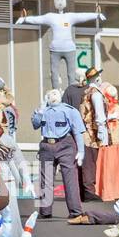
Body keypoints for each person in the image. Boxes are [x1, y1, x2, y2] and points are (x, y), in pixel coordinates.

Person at [32, 89, 85, 219]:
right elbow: (35, 125)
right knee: (45, 179)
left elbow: (77, 131)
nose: (53, 97)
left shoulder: (69, 111)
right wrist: (40, 110)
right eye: (50, 95)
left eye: (55, 94)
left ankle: (75, 211)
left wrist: (81, 150)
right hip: (46, 145)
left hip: (65, 144)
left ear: (60, 96)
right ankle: (45, 211)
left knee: (70, 178)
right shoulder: (42, 111)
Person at [79, 67, 110, 204]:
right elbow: (99, 115)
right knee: (91, 162)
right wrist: (103, 133)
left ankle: (88, 190)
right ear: (96, 78)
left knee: (89, 162)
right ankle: (89, 191)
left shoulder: (87, 92)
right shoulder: (96, 94)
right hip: (93, 133)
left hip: (87, 131)